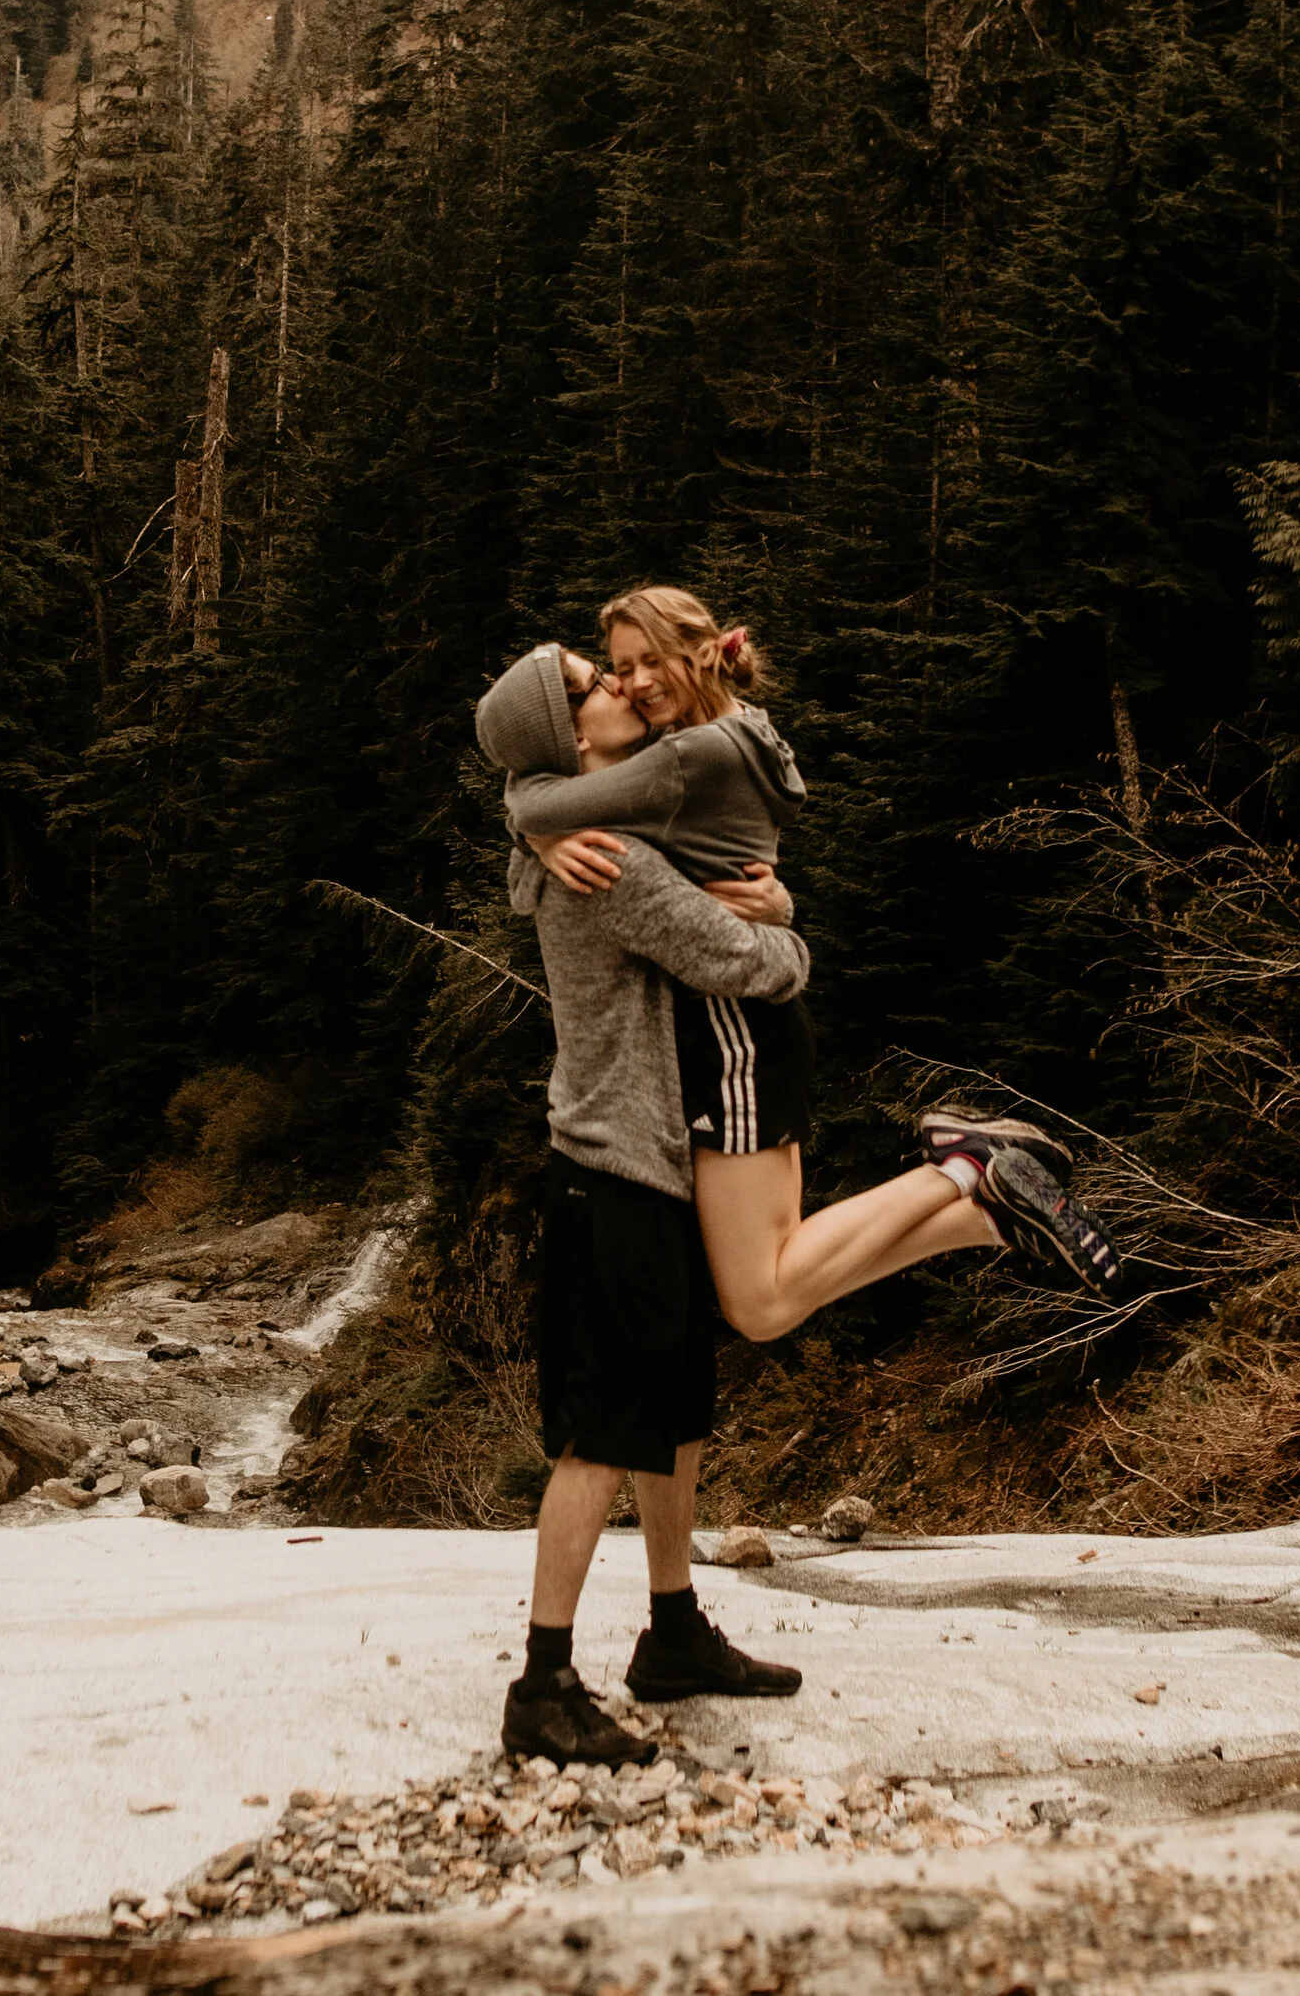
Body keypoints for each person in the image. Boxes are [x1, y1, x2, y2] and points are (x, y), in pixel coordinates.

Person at [513, 585, 1121, 1335]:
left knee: (762, 1303)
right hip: (748, 1031)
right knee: (775, 1280)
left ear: (699, 651)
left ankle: (966, 1163)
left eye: (647, 662)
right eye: (618, 669)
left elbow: (543, 797)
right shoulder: (735, 733)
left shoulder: (686, 754)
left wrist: (536, 831)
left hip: (729, 1028)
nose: (632, 684)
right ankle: (985, 1215)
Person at [474, 641, 812, 1769]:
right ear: (572, 742)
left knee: (671, 1415)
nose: (618, 687)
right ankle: (544, 1682)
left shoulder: (567, 830)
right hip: (620, 1167)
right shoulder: (607, 859)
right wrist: (789, 932)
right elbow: (740, 962)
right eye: (592, 687)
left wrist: (529, 816)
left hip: (643, 1159)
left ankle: (671, 1632)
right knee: (602, 1432)